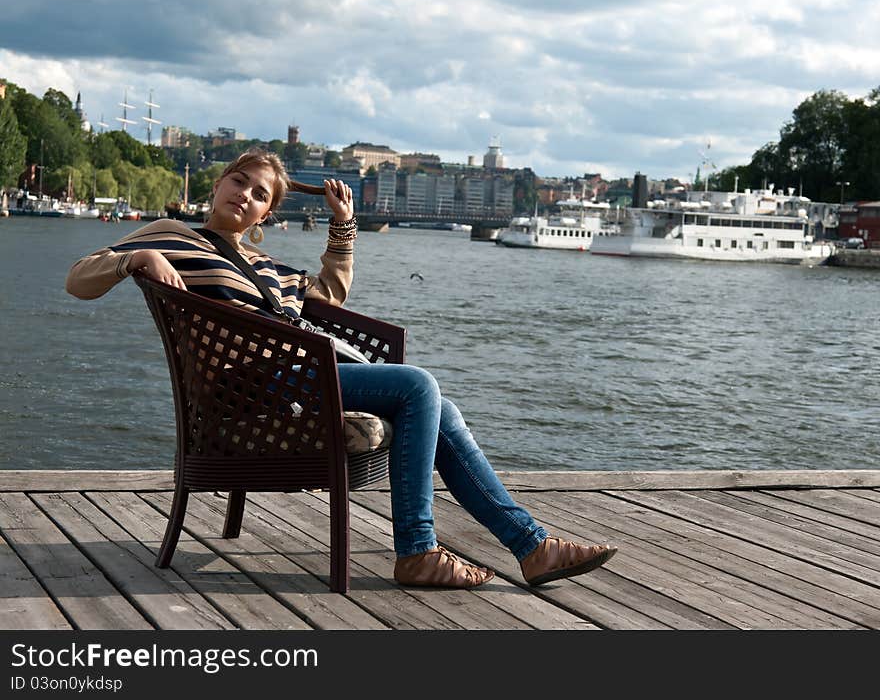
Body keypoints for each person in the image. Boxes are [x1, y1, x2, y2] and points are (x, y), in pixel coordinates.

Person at [66, 148, 617, 589]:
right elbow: (79, 279)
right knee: (419, 386)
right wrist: (136, 258)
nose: (246, 195)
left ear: (266, 214)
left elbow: (326, 297)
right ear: (218, 185)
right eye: (240, 182)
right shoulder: (170, 235)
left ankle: (531, 547)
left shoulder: (266, 265)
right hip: (249, 390)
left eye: (260, 195)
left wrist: (343, 225)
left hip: (296, 380)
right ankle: (419, 549)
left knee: (439, 407)